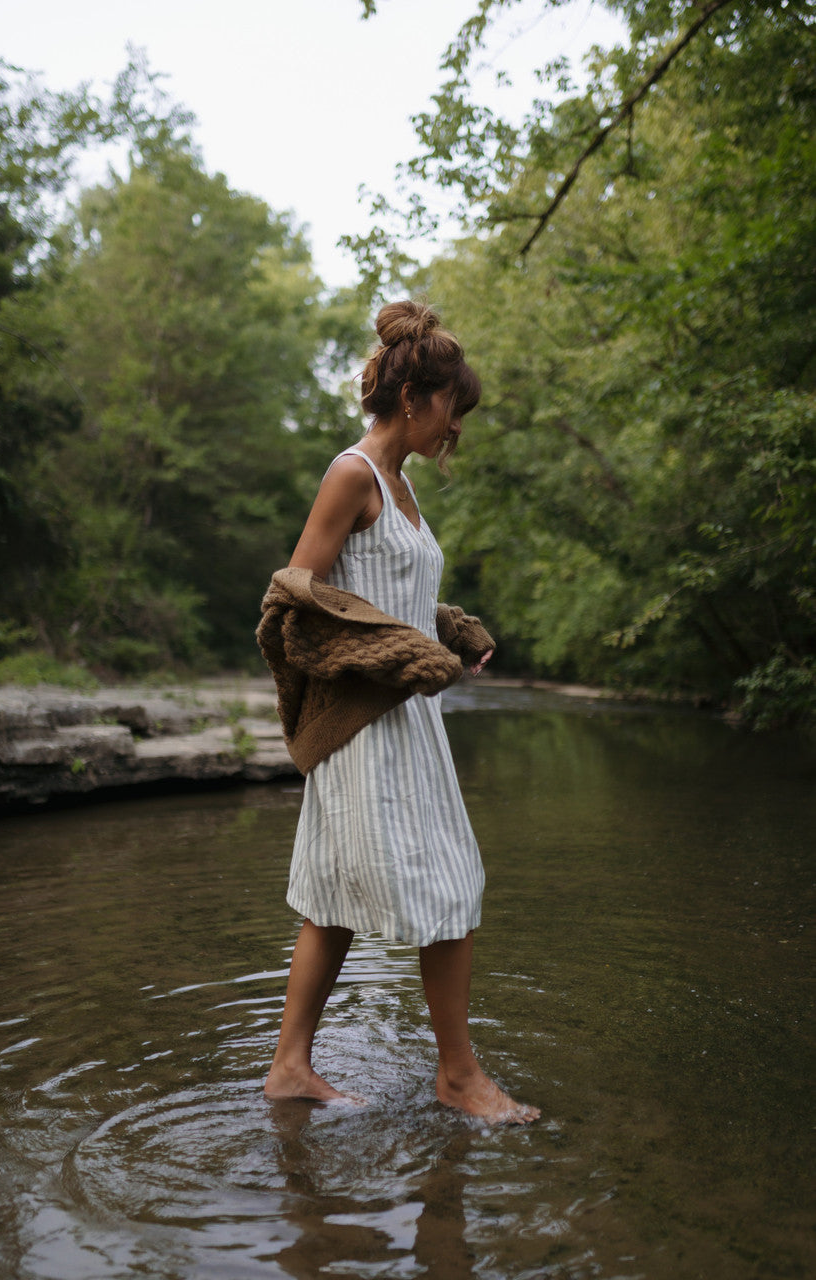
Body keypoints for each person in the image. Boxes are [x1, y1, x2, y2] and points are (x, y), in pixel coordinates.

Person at [260, 299, 539, 1124]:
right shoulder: (352, 473)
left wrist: (441, 625)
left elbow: (380, 592)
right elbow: (294, 604)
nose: (456, 429)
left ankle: (288, 1069)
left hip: (408, 720)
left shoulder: (404, 488)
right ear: (416, 395)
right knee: (451, 885)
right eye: (454, 409)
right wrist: (398, 650)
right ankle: (458, 1077)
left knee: (335, 896)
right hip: (366, 727)